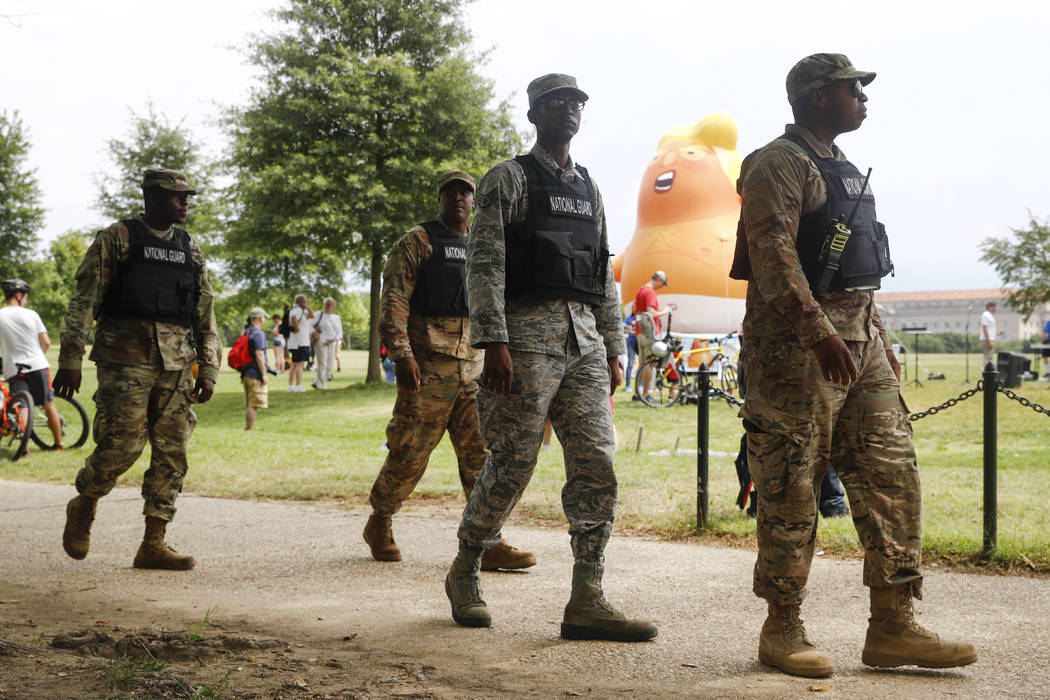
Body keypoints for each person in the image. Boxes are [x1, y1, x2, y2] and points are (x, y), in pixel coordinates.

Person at [729, 54, 975, 677]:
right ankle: (781, 627)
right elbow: (773, 254)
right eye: (852, 88)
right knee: (792, 483)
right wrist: (817, 332)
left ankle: (894, 623)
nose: (863, 97)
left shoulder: (839, 167)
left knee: (892, 472)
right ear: (816, 98)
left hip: (859, 347)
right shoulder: (777, 163)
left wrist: (878, 338)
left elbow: (857, 274)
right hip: (794, 352)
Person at [444, 74, 656, 643]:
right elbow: (484, 265)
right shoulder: (508, 179)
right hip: (523, 342)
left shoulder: (589, 188)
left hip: (583, 343)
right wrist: (494, 342)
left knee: (596, 463)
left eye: (577, 103)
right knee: (513, 462)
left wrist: (614, 346)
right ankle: (466, 566)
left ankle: (588, 594)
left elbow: (603, 275)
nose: (569, 110)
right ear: (535, 112)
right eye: (557, 102)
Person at [365, 170, 535, 572]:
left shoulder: (486, 245)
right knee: (409, 451)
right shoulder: (418, 242)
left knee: (482, 456)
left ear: (474, 200)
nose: (458, 197)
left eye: (465, 192)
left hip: (476, 369)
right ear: (440, 197)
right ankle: (380, 521)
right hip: (429, 368)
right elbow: (393, 301)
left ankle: (487, 540)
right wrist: (402, 354)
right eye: (450, 191)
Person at [55, 168, 220, 570]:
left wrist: (209, 366)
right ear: (153, 196)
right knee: (120, 447)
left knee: (172, 452)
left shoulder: (189, 249)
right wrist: (71, 357)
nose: (185, 203)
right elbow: (85, 299)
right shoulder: (117, 238)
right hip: (124, 360)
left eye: (187, 197)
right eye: (178, 196)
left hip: (177, 364)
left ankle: (154, 541)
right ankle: (85, 502)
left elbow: (204, 310)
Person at [0, 279, 63, 448]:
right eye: (26, 296)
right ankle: (58, 443)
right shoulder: (32, 314)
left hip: (13, 368)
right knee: (48, 405)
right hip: (37, 365)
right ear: (19, 295)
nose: (26, 300)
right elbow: (47, 342)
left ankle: (24, 448)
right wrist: (37, 356)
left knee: (22, 406)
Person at [634, 270, 675, 400]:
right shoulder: (650, 292)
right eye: (662, 284)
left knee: (642, 363)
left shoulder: (641, 290)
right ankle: (646, 394)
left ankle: (637, 394)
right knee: (649, 364)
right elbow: (651, 313)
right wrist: (665, 311)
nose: (661, 287)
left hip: (640, 332)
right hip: (649, 333)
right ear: (658, 280)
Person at [241, 308, 269, 430]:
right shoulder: (259, 334)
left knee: (249, 403)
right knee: (254, 404)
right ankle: (249, 428)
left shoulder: (246, 331)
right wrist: (264, 374)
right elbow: (259, 354)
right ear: (260, 318)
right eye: (264, 318)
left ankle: (248, 427)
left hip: (246, 373)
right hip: (255, 373)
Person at [309, 297, 342, 390]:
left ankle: (317, 381)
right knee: (322, 363)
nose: (327, 306)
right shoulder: (319, 314)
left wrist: (333, 340)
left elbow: (340, 332)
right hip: (321, 341)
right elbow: (309, 325)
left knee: (330, 365)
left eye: (329, 304)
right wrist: (314, 332)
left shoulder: (336, 318)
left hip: (332, 343)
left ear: (333, 306)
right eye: (326, 304)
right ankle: (321, 385)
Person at [287, 294, 314, 392]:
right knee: (300, 364)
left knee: (295, 364)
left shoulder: (300, 310)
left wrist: (307, 307)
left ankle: (290, 386)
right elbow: (294, 317)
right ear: (302, 301)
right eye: (305, 301)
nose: (307, 303)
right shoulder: (297, 310)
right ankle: (298, 385)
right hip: (300, 342)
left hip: (296, 342)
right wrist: (297, 328)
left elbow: (312, 315)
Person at [980, 301, 998, 367]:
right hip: (987, 340)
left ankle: (988, 373)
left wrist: (997, 334)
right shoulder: (986, 315)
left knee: (989, 358)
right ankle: (987, 374)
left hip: (989, 339)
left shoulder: (989, 315)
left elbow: (990, 330)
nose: (995, 309)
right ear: (990, 307)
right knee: (988, 359)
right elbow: (985, 328)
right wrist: (989, 341)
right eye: (994, 307)